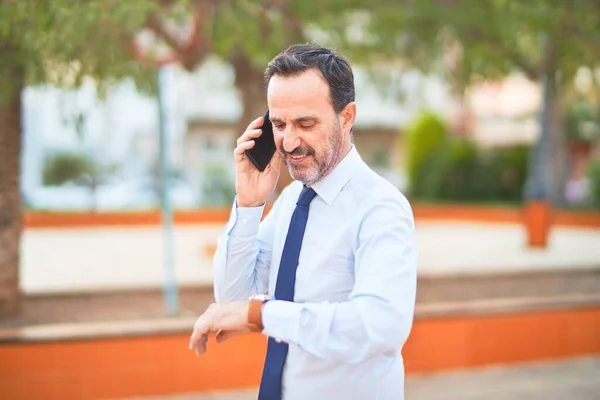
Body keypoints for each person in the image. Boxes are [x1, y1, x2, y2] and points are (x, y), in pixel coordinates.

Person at [189, 43, 418, 400]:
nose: (289, 141)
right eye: (278, 124)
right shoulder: (291, 201)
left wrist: (264, 315)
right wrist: (249, 204)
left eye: (305, 123)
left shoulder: (381, 208)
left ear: (347, 116)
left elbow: (379, 326)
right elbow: (233, 297)